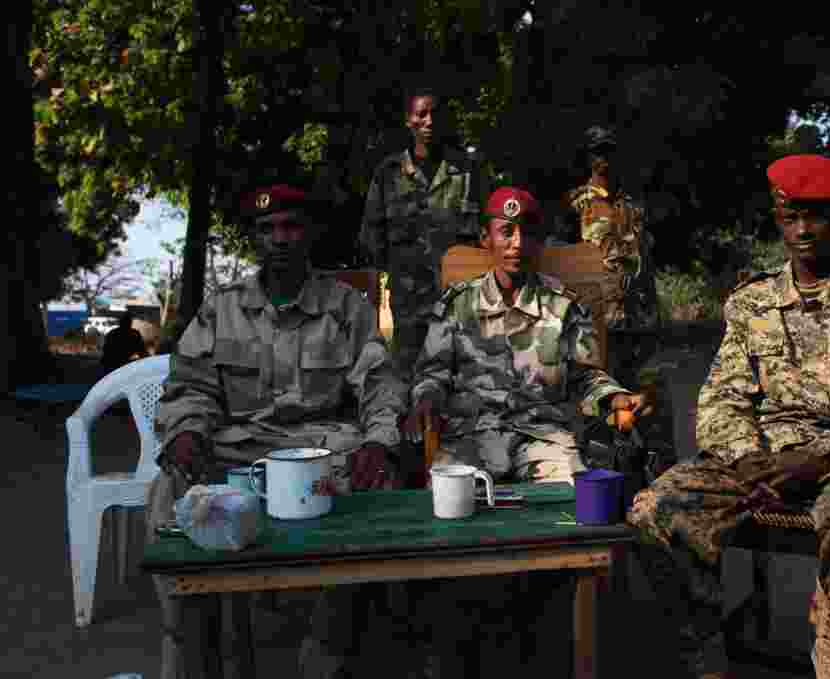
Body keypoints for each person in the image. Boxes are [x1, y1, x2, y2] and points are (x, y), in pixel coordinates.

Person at [627, 155, 830, 679]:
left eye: (815, 217)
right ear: (778, 219)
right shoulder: (753, 302)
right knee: (655, 508)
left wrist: (815, 457)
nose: (802, 231)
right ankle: (703, 642)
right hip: (762, 457)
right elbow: (722, 396)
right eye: (791, 217)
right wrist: (748, 460)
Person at [146, 184, 409, 679]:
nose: (280, 238)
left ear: (308, 234)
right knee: (168, 489)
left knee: (380, 488)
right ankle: (187, 640)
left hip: (321, 453)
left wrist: (378, 441)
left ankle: (331, 652)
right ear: (255, 238)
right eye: (268, 229)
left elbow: (381, 383)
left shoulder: (345, 307)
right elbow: (190, 385)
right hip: (239, 449)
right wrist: (187, 431)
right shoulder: (221, 309)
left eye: (290, 227)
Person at [406, 186, 654, 676]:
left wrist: (615, 399)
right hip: (471, 435)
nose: (517, 243)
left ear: (539, 241)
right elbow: (431, 373)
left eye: (527, 233)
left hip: (543, 435)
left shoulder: (563, 306)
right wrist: (426, 400)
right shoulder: (458, 304)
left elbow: (586, 378)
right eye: (506, 232)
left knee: (573, 505)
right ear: (487, 238)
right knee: (444, 512)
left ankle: (554, 629)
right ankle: (455, 640)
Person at [359, 86, 492, 381]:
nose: (430, 121)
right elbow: (373, 245)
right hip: (410, 309)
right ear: (409, 120)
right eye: (422, 114)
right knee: (410, 383)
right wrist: (375, 314)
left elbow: (489, 238)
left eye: (436, 114)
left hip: (462, 303)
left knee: (467, 382)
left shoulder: (469, 172)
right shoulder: (388, 174)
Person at [562, 125, 660, 387]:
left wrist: (652, 313)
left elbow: (645, 260)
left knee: (640, 397)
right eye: (598, 152)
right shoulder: (576, 204)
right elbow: (561, 263)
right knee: (598, 396)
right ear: (588, 157)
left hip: (635, 321)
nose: (604, 158)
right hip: (594, 321)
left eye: (609, 151)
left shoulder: (633, 204)